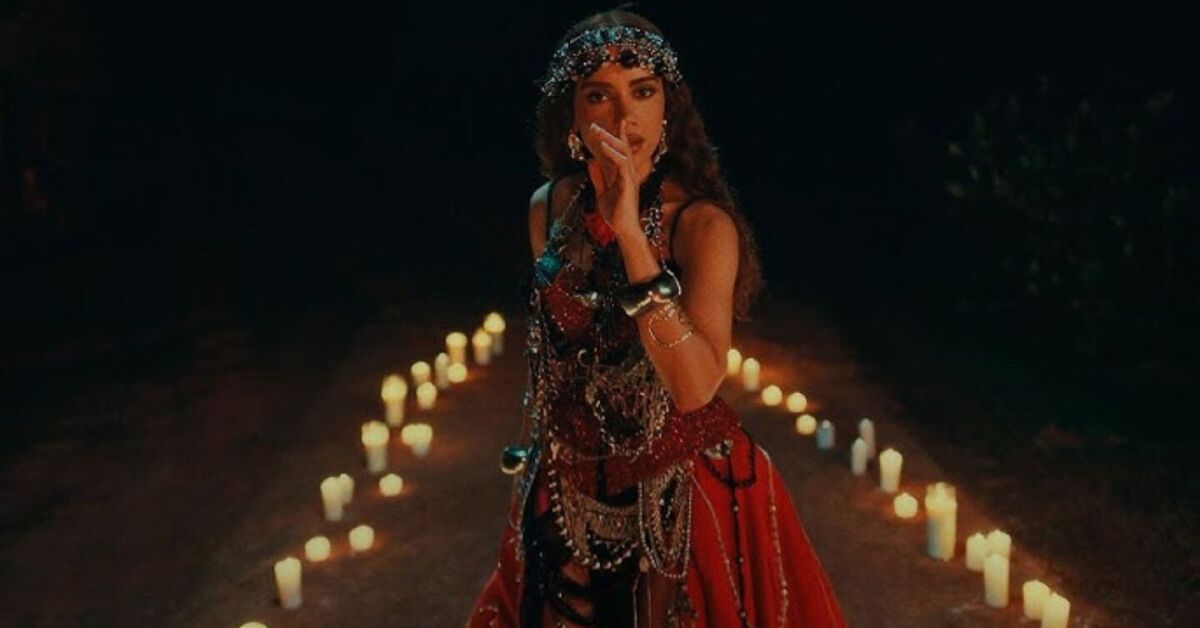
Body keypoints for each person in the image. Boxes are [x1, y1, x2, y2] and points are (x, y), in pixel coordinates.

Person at [468, 9, 847, 627]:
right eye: (600, 96)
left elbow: (695, 388)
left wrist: (630, 237)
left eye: (642, 91)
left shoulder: (702, 227)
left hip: (686, 492)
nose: (625, 117)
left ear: (668, 107)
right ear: (572, 118)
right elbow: (555, 362)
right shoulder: (549, 209)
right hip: (568, 490)